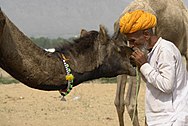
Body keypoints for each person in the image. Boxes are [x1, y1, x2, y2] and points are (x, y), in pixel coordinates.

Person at [119, 10, 188, 126]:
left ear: (146, 35)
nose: (130, 45)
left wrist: (144, 65)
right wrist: (141, 66)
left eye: (133, 41)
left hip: (172, 119)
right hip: (160, 119)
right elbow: (153, 81)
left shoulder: (165, 50)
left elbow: (167, 86)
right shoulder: (151, 52)